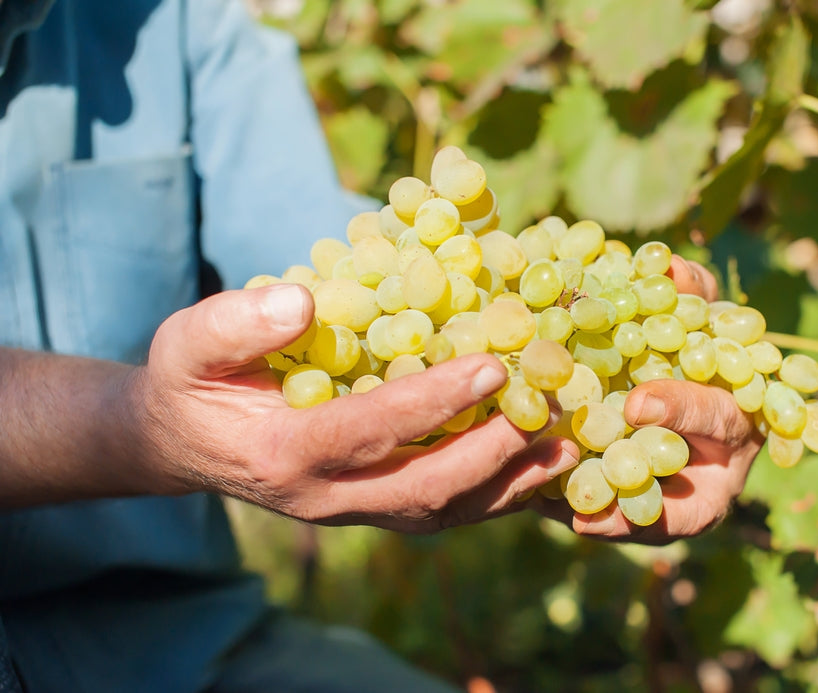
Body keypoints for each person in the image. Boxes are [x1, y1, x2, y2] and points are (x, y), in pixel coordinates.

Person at [0, 0, 763, 691]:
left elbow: (359, 282)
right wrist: (142, 427)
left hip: (175, 638)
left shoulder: (180, 21)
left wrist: (556, 429)